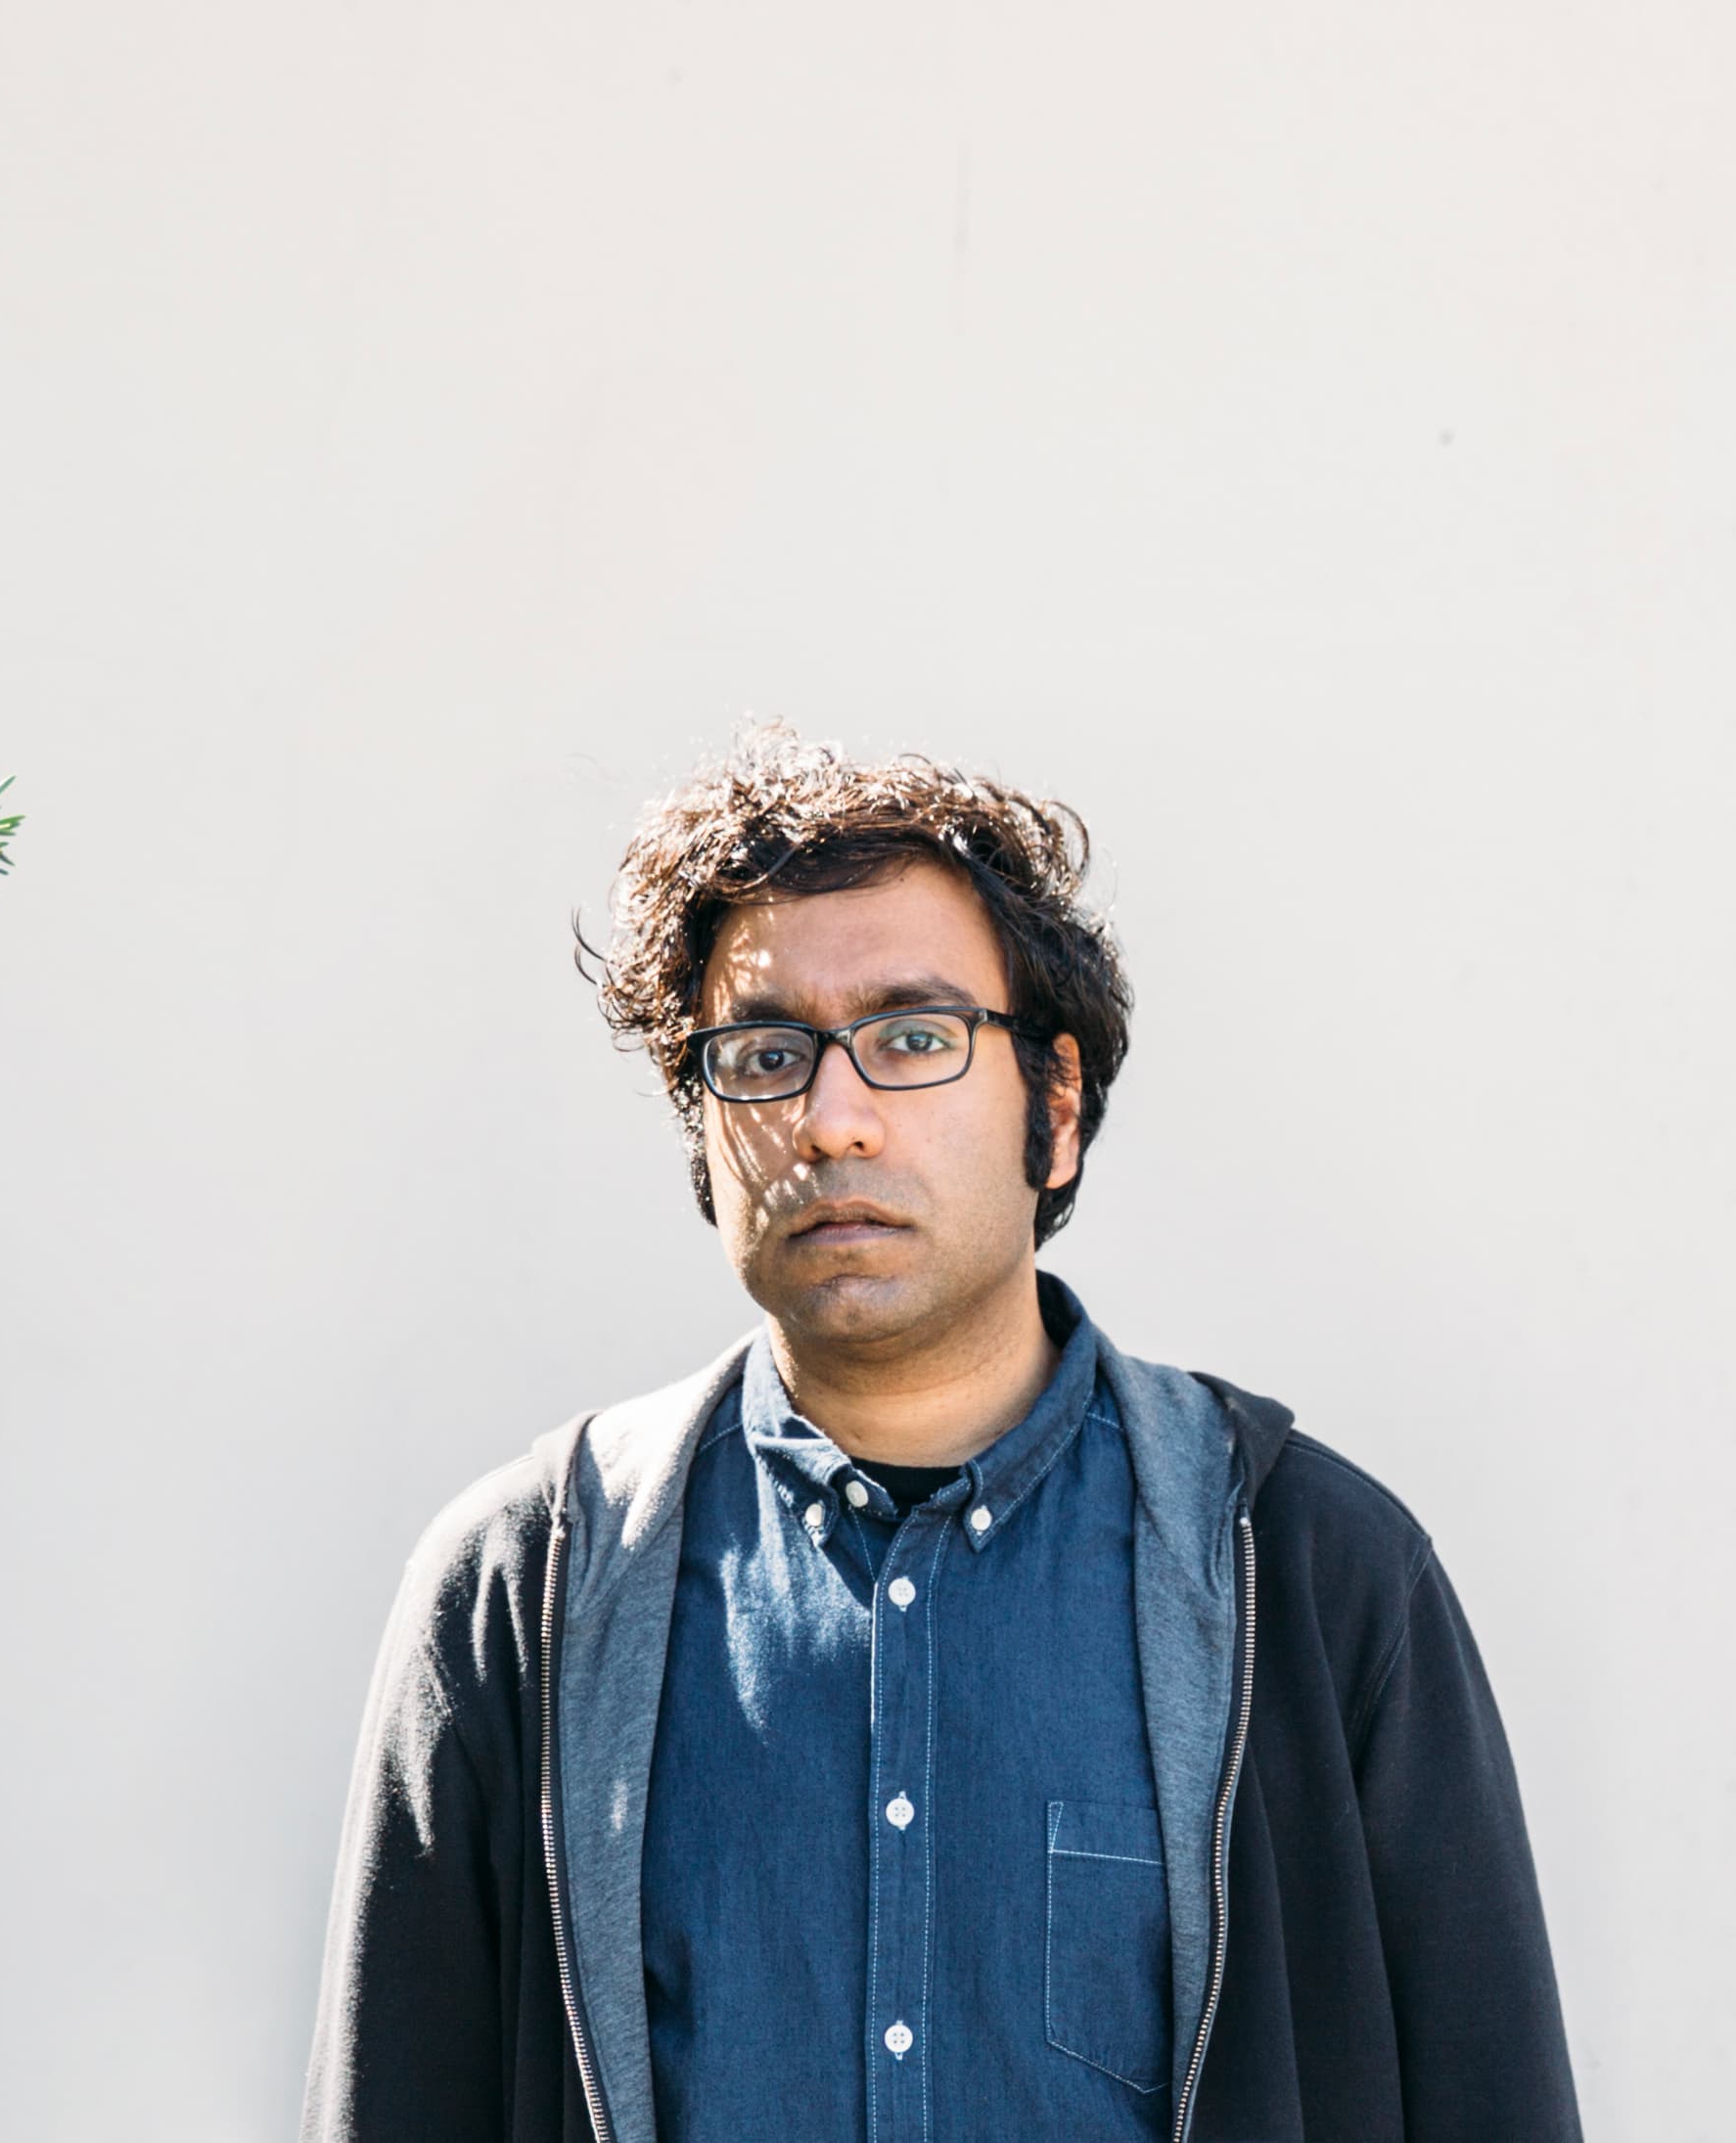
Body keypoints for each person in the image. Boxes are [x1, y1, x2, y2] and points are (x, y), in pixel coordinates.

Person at [299, 730, 1579, 2143]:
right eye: (766, 1053)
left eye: (913, 1037)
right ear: (700, 1129)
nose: (830, 1119)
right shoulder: (523, 1592)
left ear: (1057, 1108)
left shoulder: (1317, 1575)